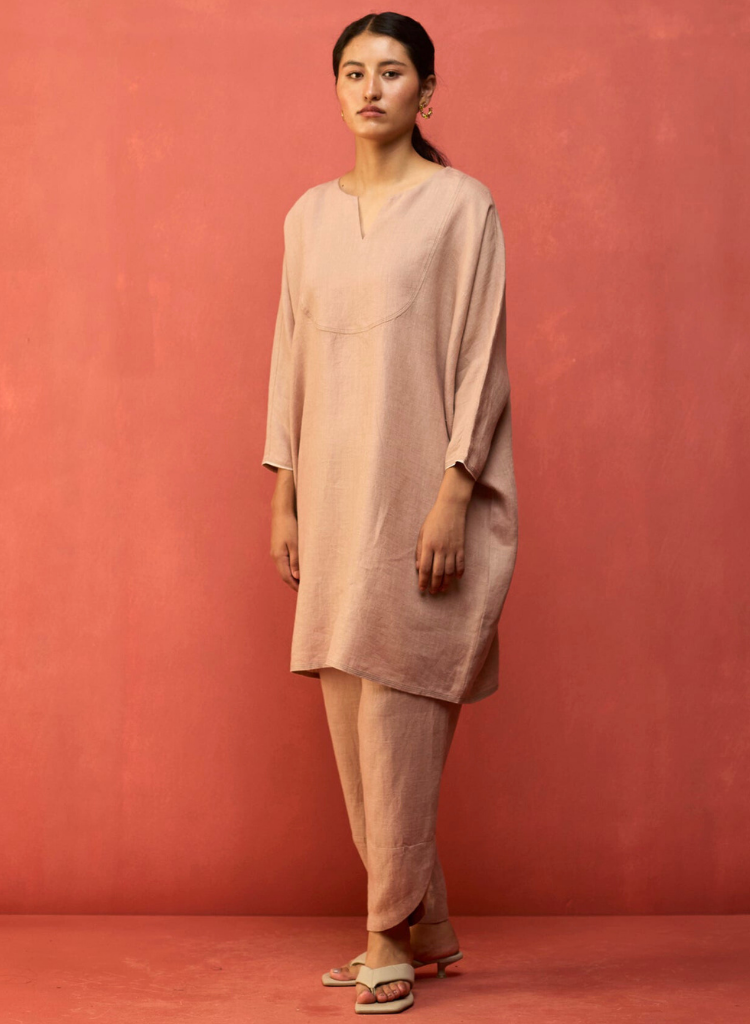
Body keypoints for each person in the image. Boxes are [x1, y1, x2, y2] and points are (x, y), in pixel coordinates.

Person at [261, 12, 518, 1014]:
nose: (371, 88)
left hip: (420, 494)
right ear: (336, 89)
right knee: (348, 716)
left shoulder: (461, 206)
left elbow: (481, 354)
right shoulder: (307, 218)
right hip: (331, 497)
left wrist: (456, 490)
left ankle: (385, 938)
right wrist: (283, 489)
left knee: (399, 713)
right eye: (353, 73)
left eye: (393, 72)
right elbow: (289, 353)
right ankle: (431, 923)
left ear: (427, 91)